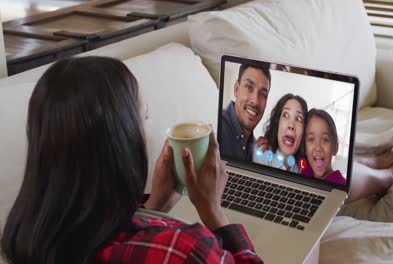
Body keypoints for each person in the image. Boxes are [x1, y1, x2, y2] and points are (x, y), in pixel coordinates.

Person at [0, 57, 263, 264]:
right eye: (143, 117)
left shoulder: (24, 238)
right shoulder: (185, 250)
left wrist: (154, 206)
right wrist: (213, 210)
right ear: (121, 141)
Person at [303, 108, 393, 202]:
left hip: (337, 185)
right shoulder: (303, 170)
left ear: (335, 148)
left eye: (325, 140)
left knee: (347, 185)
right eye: (311, 139)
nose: (317, 147)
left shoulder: (338, 182)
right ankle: (369, 163)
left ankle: (387, 176)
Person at [219, 62, 271, 161]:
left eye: (263, 94)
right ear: (236, 89)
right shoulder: (216, 129)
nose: (255, 101)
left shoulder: (256, 147)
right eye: (249, 87)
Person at [253, 93, 308, 172]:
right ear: (277, 122)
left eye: (298, 119)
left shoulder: (302, 169)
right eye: (285, 115)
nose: (291, 125)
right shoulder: (261, 154)